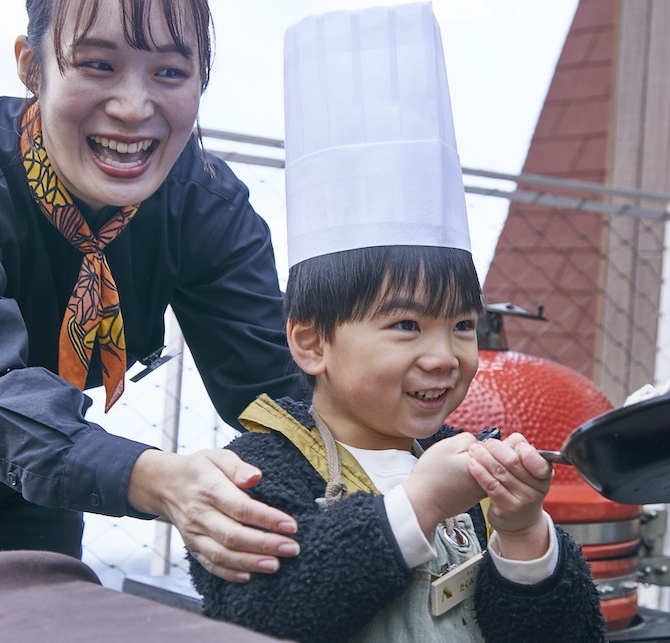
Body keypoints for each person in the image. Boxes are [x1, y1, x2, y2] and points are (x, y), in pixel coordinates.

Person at [188, 5, 606, 641]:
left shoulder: (466, 461)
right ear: (310, 340)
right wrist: (420, 505)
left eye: (463, 326)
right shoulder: (255, 472)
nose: (445, 356)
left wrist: (522, 532)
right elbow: (265, 613)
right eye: (407, 326)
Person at [0, 0, 304, 583]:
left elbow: (275, 394)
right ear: (32, 68)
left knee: (60, 612)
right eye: (95, 65)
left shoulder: (205, 204)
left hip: (28, 487)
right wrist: (157, 479)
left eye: (169, 72)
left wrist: (412, 451)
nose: (133, 108)